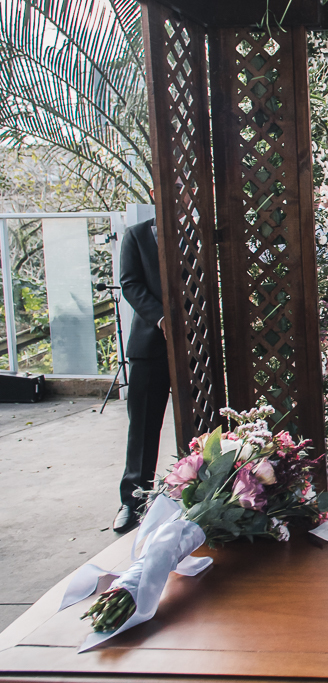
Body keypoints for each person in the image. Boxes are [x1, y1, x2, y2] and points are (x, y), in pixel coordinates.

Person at [113, 217, 171, 534]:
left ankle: (204, 494)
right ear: (153, 193)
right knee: (143, 426)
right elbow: (131, 283)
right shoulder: (136, 235)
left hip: (196, 344)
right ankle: (133, 501)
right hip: (149, 343)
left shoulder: (199, 232)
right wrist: (162, 319)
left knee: (203, 423)